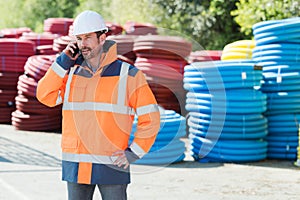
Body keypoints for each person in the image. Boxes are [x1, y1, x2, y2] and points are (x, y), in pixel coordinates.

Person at [36, 10, 160, 200]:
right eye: (78, 38)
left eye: (87, 37)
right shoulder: (70, 74)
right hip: (76, 166)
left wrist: (133, 153)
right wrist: (61, 62)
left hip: (112, 165)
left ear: (102, 38)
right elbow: (45, 96)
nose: (82, 44)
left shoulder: (129, 75)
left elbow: (150, 118)